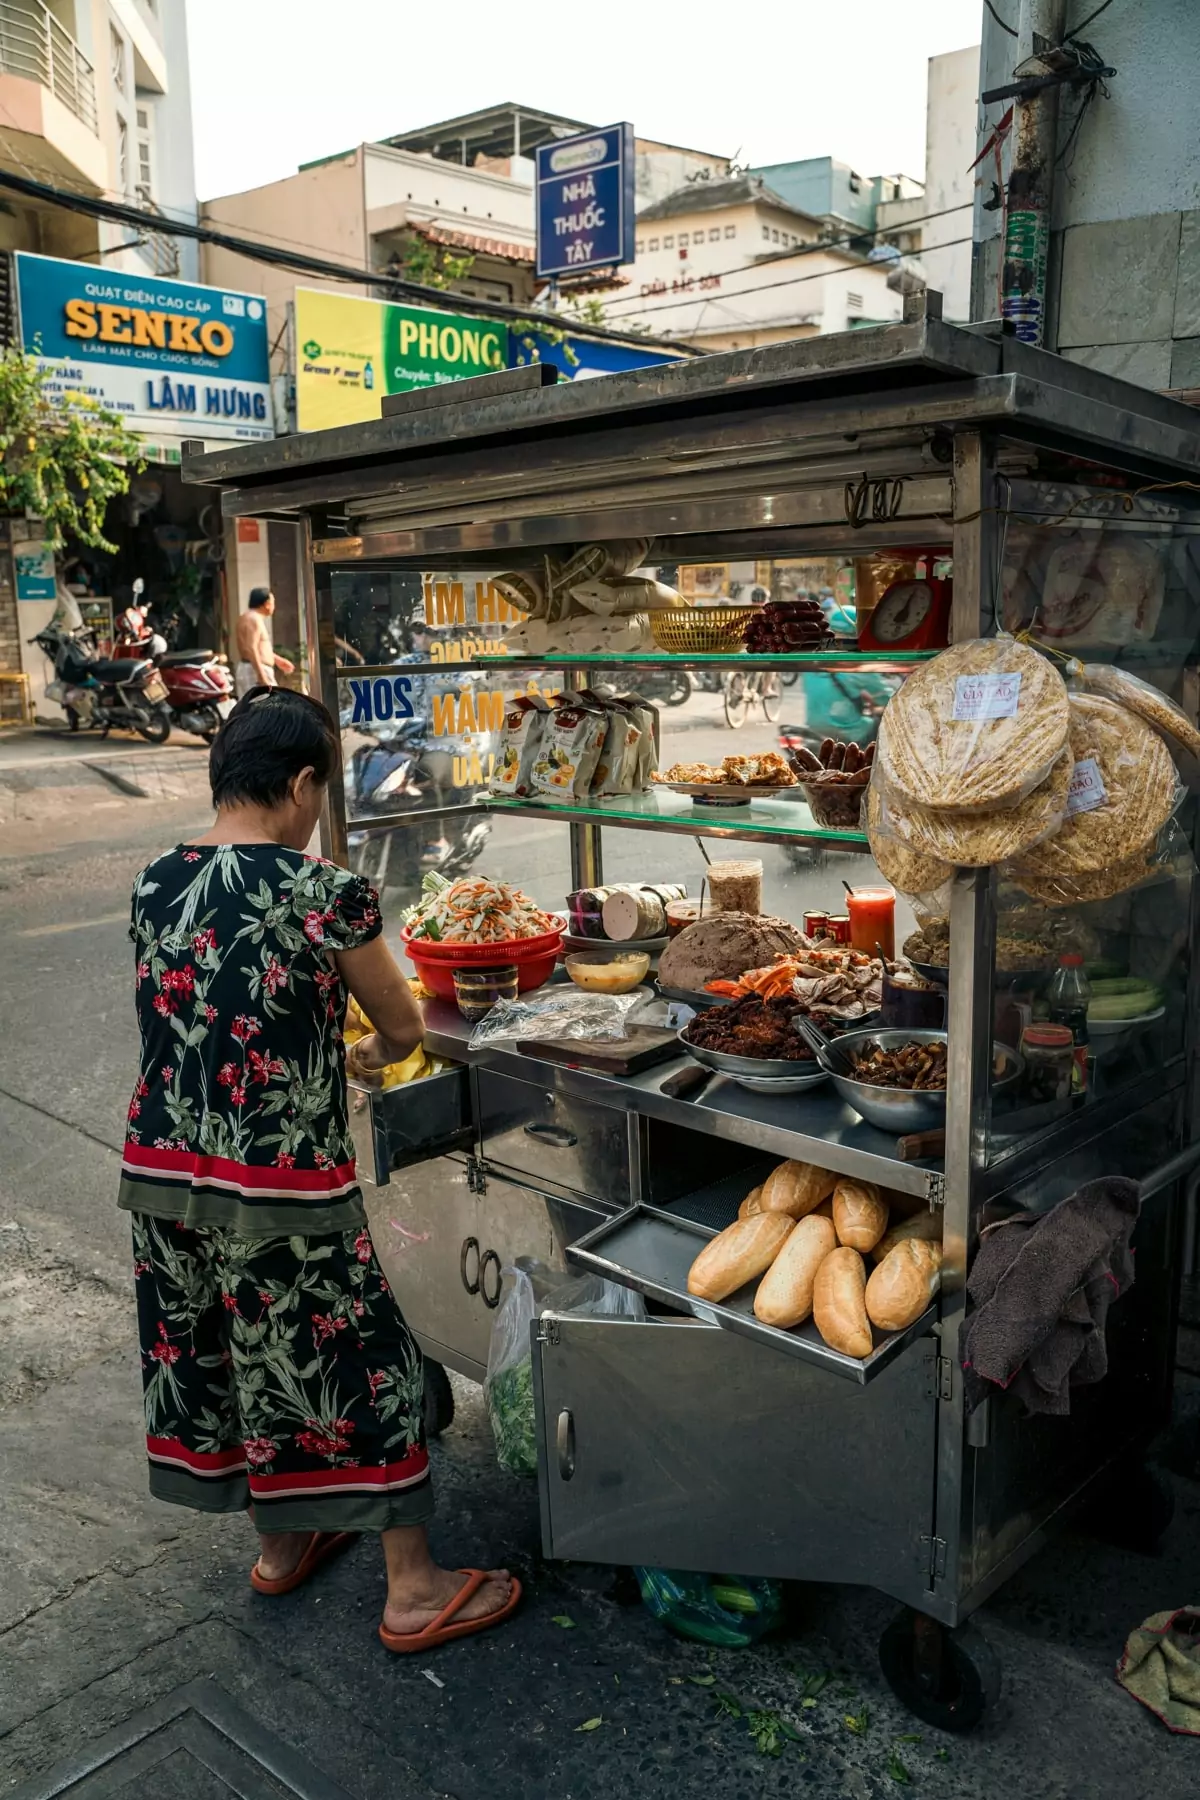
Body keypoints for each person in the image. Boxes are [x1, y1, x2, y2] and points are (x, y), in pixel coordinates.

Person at [120, 688, 519, 1651]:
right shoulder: (321, 889)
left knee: (232, 1345)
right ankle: (415, 1589)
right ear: (301, 785)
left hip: (163, 1169)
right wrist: (368, 1061)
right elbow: (402, 1025)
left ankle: (283, 1545)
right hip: (279, 1179)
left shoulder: (153, 879)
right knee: (357, 1356)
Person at [235, 588, 296, 699]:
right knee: (269, 709)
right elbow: (251, 648)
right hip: (255, 670)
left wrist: (277, 660)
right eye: (273, 602)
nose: (274, 606)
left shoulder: (248, 617)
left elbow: (256, 648)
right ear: (266, 604)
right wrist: (261, 676)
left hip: (252, 668)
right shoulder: (253, 619)